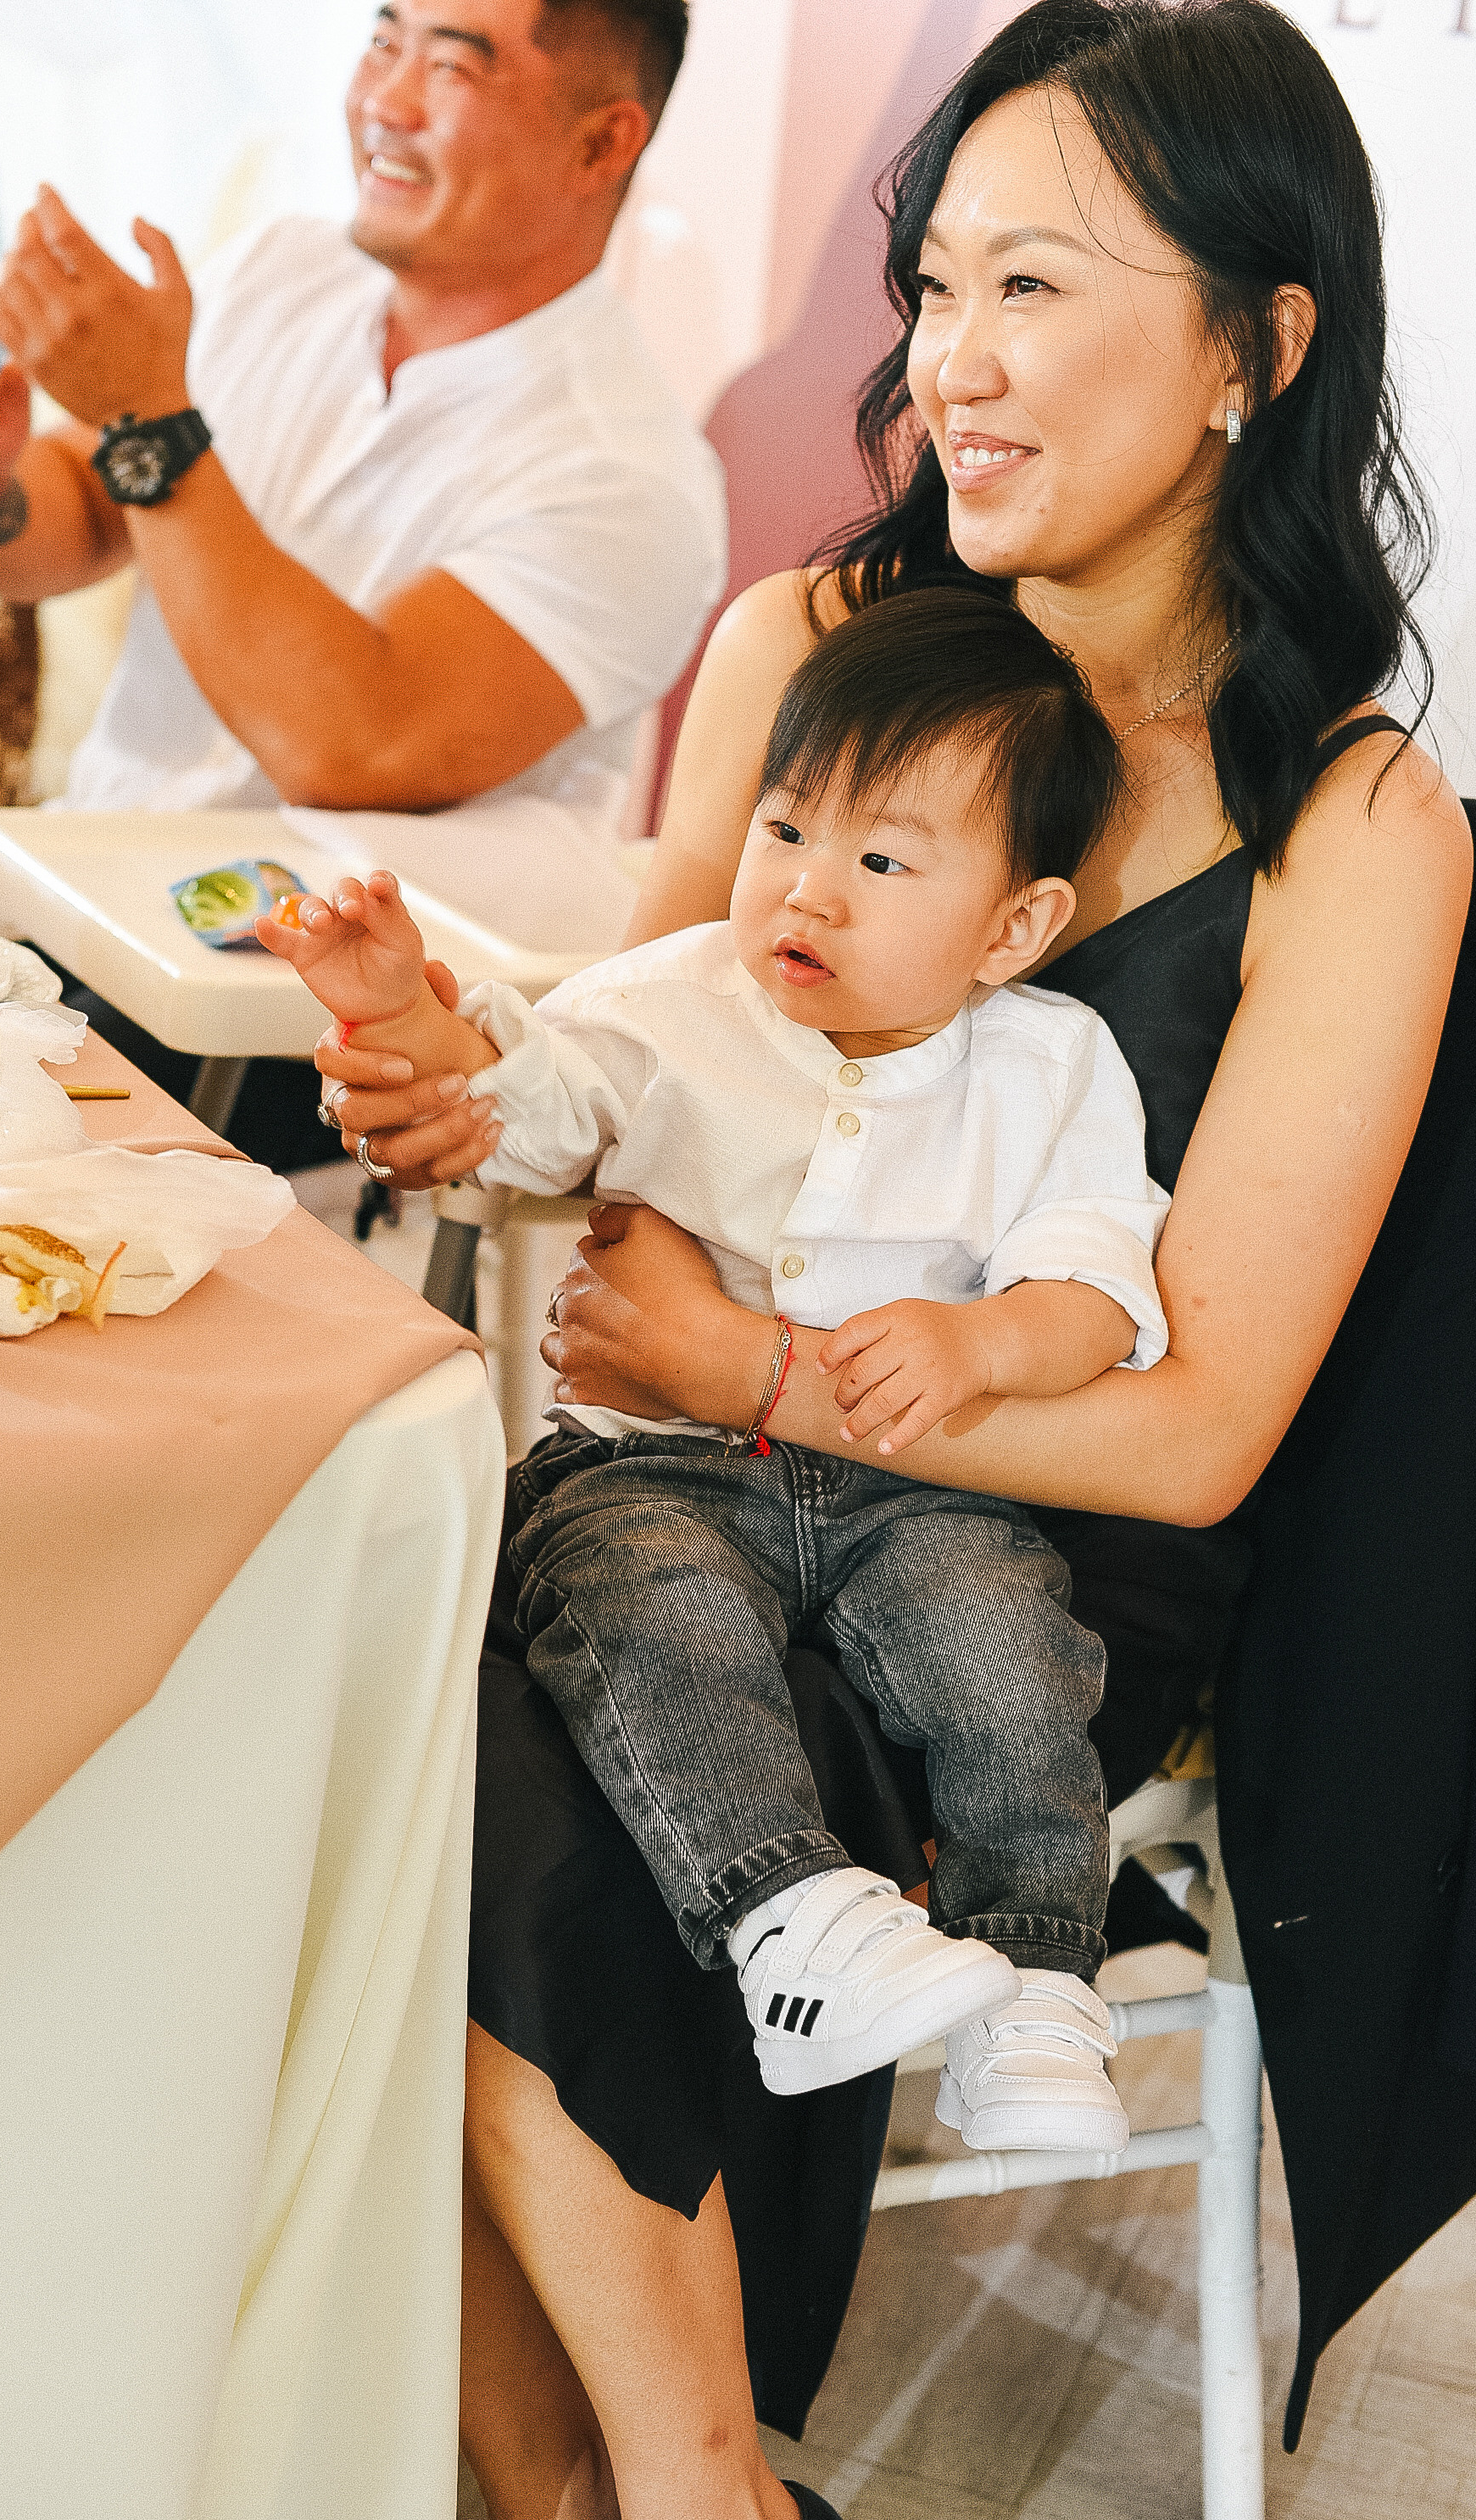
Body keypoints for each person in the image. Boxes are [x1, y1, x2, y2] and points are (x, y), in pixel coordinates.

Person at [321, 2, 1476, 2520]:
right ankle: (677, 2508)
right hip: (687, 1496)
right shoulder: (795, 649)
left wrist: (748, 1365)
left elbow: (1203, 1430)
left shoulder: (1355, 821)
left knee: (514, 1778)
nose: (948, 360)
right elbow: (617, 1141)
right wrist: (461, 1099)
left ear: (1258, 351)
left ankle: (638, 2509)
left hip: (1043, 1577)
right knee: (382, 1709)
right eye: (934, 283)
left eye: (1034, 289)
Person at [268, 585, 1172, 2138]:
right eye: (784, 831)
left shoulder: (1049, 1064)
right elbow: (520, 1106)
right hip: (652, 1466)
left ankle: (1035, 1987)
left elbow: (1100, 1271)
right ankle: (796, 1927)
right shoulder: (670, 1001)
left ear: (1015, 925)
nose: (805, 895)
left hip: (913, 1485)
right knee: (650, 1621)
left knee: (1008, 1657)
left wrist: (987, 1337)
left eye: (882, 861)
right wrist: (393, 1009)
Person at [0, 0, 725, 1163]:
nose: (384, 101)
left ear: (604, 144)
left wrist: (149, 415)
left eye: (449, 64)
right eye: (382, 39)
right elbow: (82, 518)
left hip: (290, 1017)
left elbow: (351, 738)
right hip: (86, 888)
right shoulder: (285, 270)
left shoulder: (631, 476)